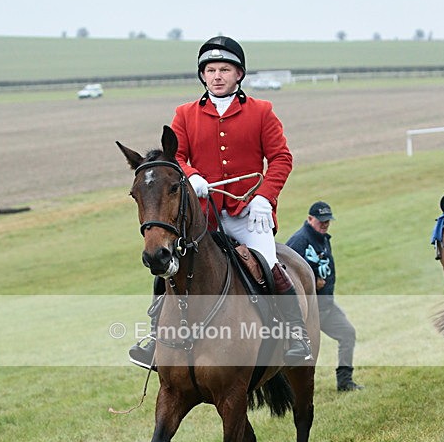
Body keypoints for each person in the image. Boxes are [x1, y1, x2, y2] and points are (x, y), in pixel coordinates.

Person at [129, 35, 313, 369]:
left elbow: (281, 158)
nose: (217, 75)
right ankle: (154, 340)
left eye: (224, 69)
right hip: (201, 217)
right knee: (168, 268)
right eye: (210, 69)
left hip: (248, 215)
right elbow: (177, 157)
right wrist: (191, 174)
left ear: (239, 74)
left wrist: (264, 198)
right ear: (202, 75)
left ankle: (295, 335)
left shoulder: (261, 111)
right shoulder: (184, 114)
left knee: (271, 266)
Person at [286, 201, 364, 392]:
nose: (325, 224)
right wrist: (312, 281)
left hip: (326, 306)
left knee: (347, 334)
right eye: (321, 221)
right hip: (306, 310)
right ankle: (288, 390)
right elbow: (287, 275)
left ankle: (345, 381)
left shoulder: (323, 238)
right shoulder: (299, 241)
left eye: (327, 220)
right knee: (299, 353)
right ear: (309, 219)